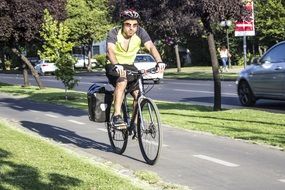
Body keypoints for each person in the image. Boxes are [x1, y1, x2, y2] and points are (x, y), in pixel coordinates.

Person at [105, 9, 165, 129]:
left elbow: (151, 47)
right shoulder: (114, 32)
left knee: (138, 94)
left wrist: (159, 61)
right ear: (122, 24)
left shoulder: (141, 32)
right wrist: (116, 64)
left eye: (134, 25)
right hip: (113, 64)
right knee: (122, 81)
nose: (131, 28)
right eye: (128, 25)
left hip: (130, 65)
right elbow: (110, 50)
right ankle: (116, 115)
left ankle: (134, 123)